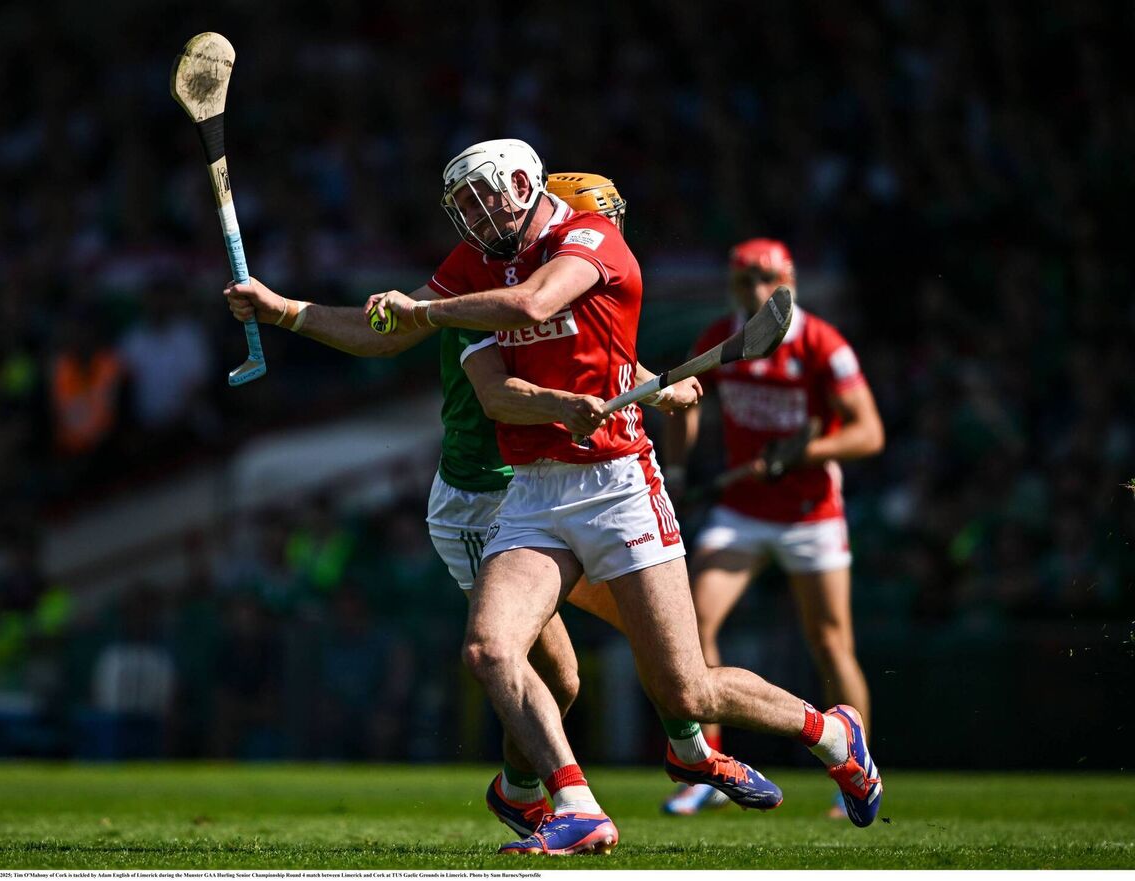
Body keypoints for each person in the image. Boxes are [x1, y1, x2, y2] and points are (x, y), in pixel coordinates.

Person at [367, 139, 883, 854]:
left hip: (617, 486)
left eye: (488, 196)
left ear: (525, 185)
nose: (478, 216)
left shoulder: (588, 239)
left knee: (688, 691)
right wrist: (557, 402)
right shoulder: (471, 273)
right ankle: (575, 804)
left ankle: (833, 732)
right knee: (489, 648)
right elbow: (495, 395)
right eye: (466, 206)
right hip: (535, 493)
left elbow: (534, 302)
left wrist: (427, 314)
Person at [223, 164, 732, 842]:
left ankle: (574, 777)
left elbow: (587, 354)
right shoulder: (486, 282)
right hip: (485, 497)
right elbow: (401, 338)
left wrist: (653, 386)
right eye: (597, 219)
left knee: (652, 653)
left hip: (551, 490)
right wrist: (283, 309)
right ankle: (564, 787)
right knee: (555, 672)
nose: (605, 236)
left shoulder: (566, 275)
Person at [659, 238, 886, 817]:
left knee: (832, 643)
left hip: (812, 514)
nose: (757, 292)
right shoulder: (720, 338)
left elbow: (868, 434)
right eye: (745, 281)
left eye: (768, 280)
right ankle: (708, 768)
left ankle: (853, 773)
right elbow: (687, 402)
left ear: (789, 281)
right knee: (694, 629)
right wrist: (679, 470)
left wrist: (797, 458)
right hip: (742, 512)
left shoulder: (821, 345)